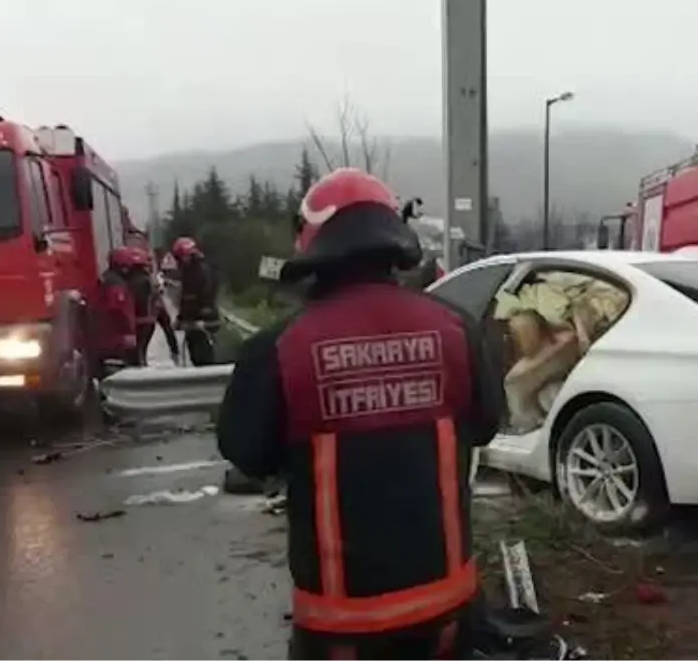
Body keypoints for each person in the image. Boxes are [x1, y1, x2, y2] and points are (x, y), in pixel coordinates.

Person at [215, 168, 504, 661]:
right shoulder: (456, 328)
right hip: (449, 611)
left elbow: (246, 453)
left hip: (341, 627)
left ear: (313, 244)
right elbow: (484, 425)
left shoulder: (279, 347)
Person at [170, 236, 220, 366]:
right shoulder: (188, 272)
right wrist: (181, 318)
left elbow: (208, 295)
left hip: (203, 323)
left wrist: (202, 319)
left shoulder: (202, 271)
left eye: (181, 257)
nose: (180, 261)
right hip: (192, 323)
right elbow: (186, 300)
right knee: (195, 355)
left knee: (204, 357)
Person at [97, 247, 144, 372]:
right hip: (116, 339)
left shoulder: (105, 279)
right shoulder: (117, 284)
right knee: (122, 369)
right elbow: (118, 310)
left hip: (104, 336)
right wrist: (128, 332)